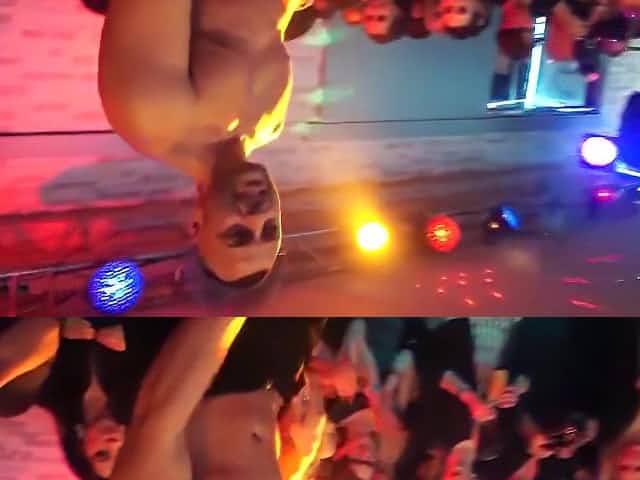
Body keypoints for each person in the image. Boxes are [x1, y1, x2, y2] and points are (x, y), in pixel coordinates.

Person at [98, 0, 313, 287]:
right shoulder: (271, 126)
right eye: (270, 229)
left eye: (237, 235)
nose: (257, 216)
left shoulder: (151, 117)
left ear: (196, 222)